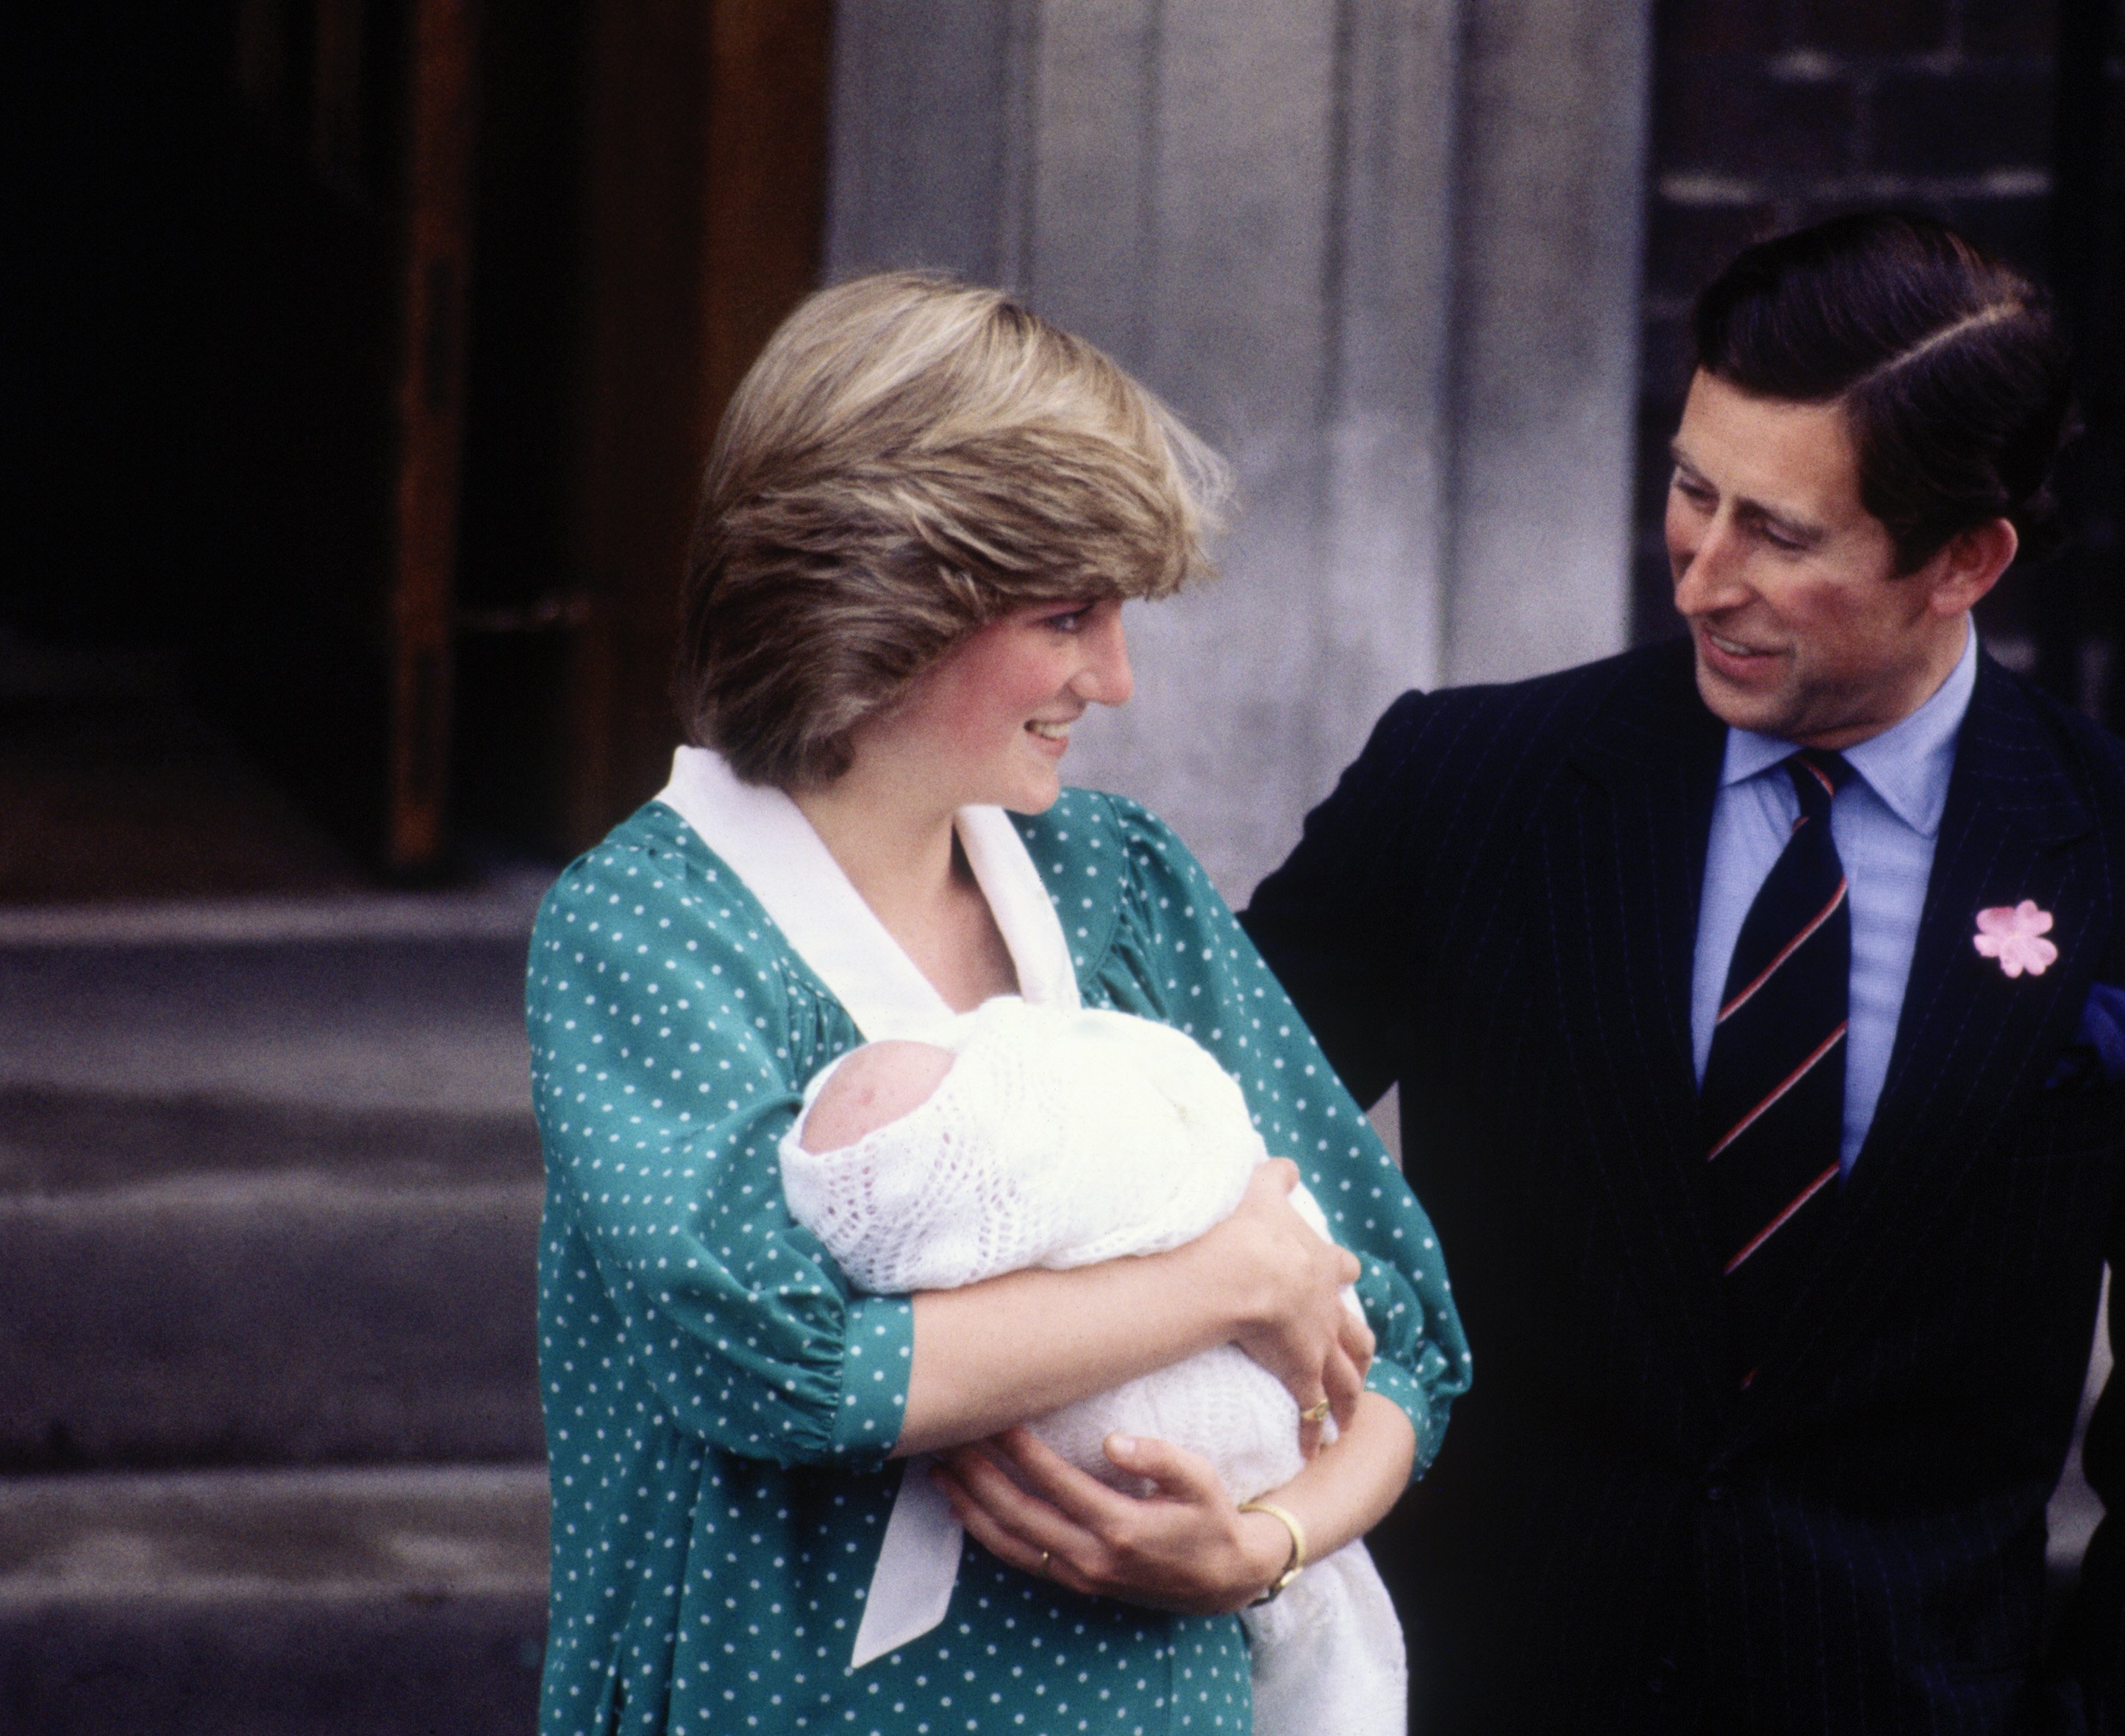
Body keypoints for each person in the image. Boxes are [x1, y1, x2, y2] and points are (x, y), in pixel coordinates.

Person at [1240, 212, 2125, 1733]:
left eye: (1782, 534)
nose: (1698, 576)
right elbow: (1178, 1145)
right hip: (1470, 1685)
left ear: (1965, 558)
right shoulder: (1465, 782)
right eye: (1692, 491)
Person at [525, 271, 1468, 1736]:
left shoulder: (1119, 881)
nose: (1115, 677)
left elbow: (1399, 1332)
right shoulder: (647, 927)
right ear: (880, 599)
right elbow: (782, 1364)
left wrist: (1262, 1545)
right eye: (1065, 616)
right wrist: (1228, 1277)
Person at [778, 996, 1407, 1735]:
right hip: (880, 1685)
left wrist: (1270, 1544)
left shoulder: (1128, 897)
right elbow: (803, 1373)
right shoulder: (673, 937)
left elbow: (1403, 1359)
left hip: (1213, 1658)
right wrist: (1237, 1276)